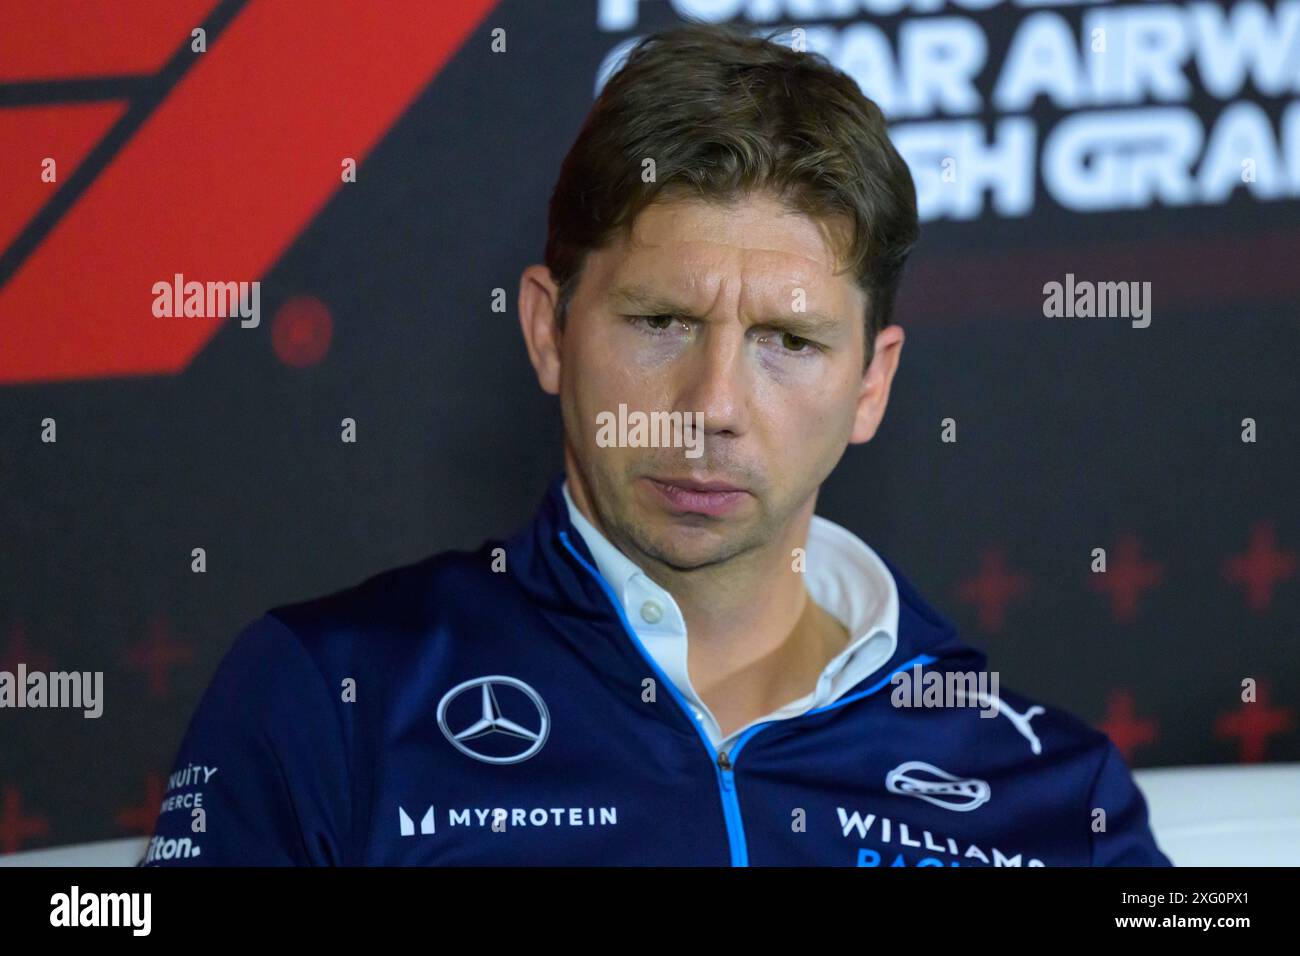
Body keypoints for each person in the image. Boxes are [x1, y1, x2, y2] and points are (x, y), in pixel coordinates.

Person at [143, 22, 1171, 867]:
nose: (711, 402)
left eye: (787, 341)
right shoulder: (330, 697)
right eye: (660, 321)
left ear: (870, 384)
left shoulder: (1053, 792)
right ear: (549, 330)